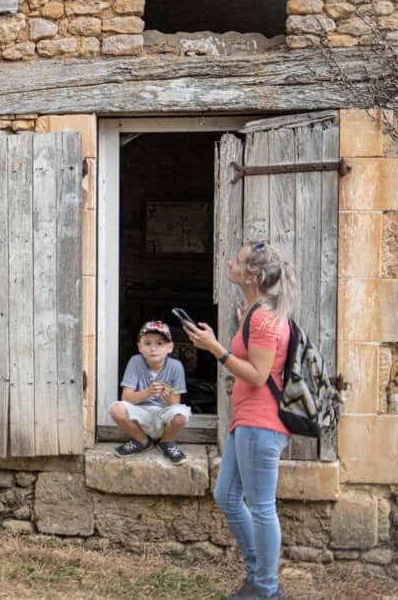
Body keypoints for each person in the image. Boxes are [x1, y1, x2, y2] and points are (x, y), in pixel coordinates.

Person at [183, 240, 297, 600]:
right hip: (246, 422)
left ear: (251, 275)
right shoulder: (255, 312)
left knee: (262, 507)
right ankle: (258, 575)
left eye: (238, 259)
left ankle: (265, 587)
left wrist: (215, 349)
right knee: (227, 496)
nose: (229, 262)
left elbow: (259, 375)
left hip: (260, 425)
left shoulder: (262, 319)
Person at [108, 320, 191, 464]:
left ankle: (166, 442)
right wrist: (147, 393)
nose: (153, 349)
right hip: (141, 412)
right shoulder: (135, 362)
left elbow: (175, 403)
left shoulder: (176, 366)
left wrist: (167, 394)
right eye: (147, 343)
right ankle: (142, 441)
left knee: (181, 416)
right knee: (116, 409)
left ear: (170, 347)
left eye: (159, 344)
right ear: (140, 347)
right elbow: (126, 398)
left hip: (163, 412)